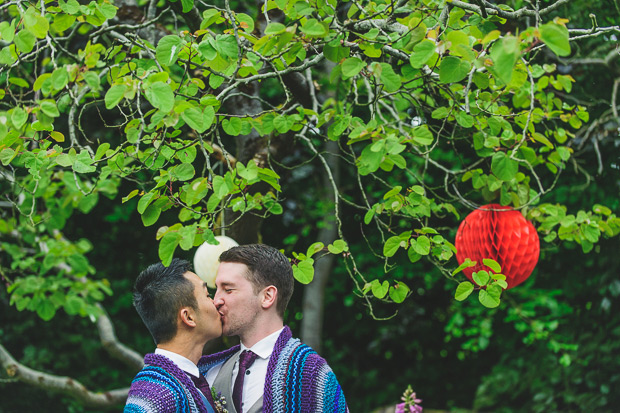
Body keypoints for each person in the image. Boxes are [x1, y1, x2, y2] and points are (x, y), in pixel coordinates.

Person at [200, 244, 349, 413]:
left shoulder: (313, 375)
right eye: (216, 289)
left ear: (267, 296)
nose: (216, 300)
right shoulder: (210, 373)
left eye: (228, 289)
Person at [125, 258, 224, 413]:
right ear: (188, 317)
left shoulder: (189, 380)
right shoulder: (154, 394)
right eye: (207, 295)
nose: (216, 302)